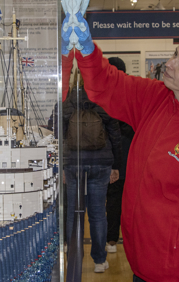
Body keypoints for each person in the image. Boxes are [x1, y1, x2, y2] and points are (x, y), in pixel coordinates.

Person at [61, 6, 179, 282]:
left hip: (178, 275)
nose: (169, 64)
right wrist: (86, 46)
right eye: (174, 55)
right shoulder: (157, 98)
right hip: (141, 268)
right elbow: (108, 84)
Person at [62, 70, 122, 273]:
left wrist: (62, 165)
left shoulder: (69, 100)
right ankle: (99, 261)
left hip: (73, 163)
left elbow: (60, 132)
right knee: (97, 213)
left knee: (73, 213)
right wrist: (116, 166)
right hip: (100, 162)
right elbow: (115, 134)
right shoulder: (104, 99)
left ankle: (73, 259)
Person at [105, 57, 135, 254]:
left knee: (113, 199)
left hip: (113, 155)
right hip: (132, 155)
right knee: (133, 201)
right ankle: (134, 240)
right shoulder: (133, 93)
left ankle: (111, 240)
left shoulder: (105, 95)